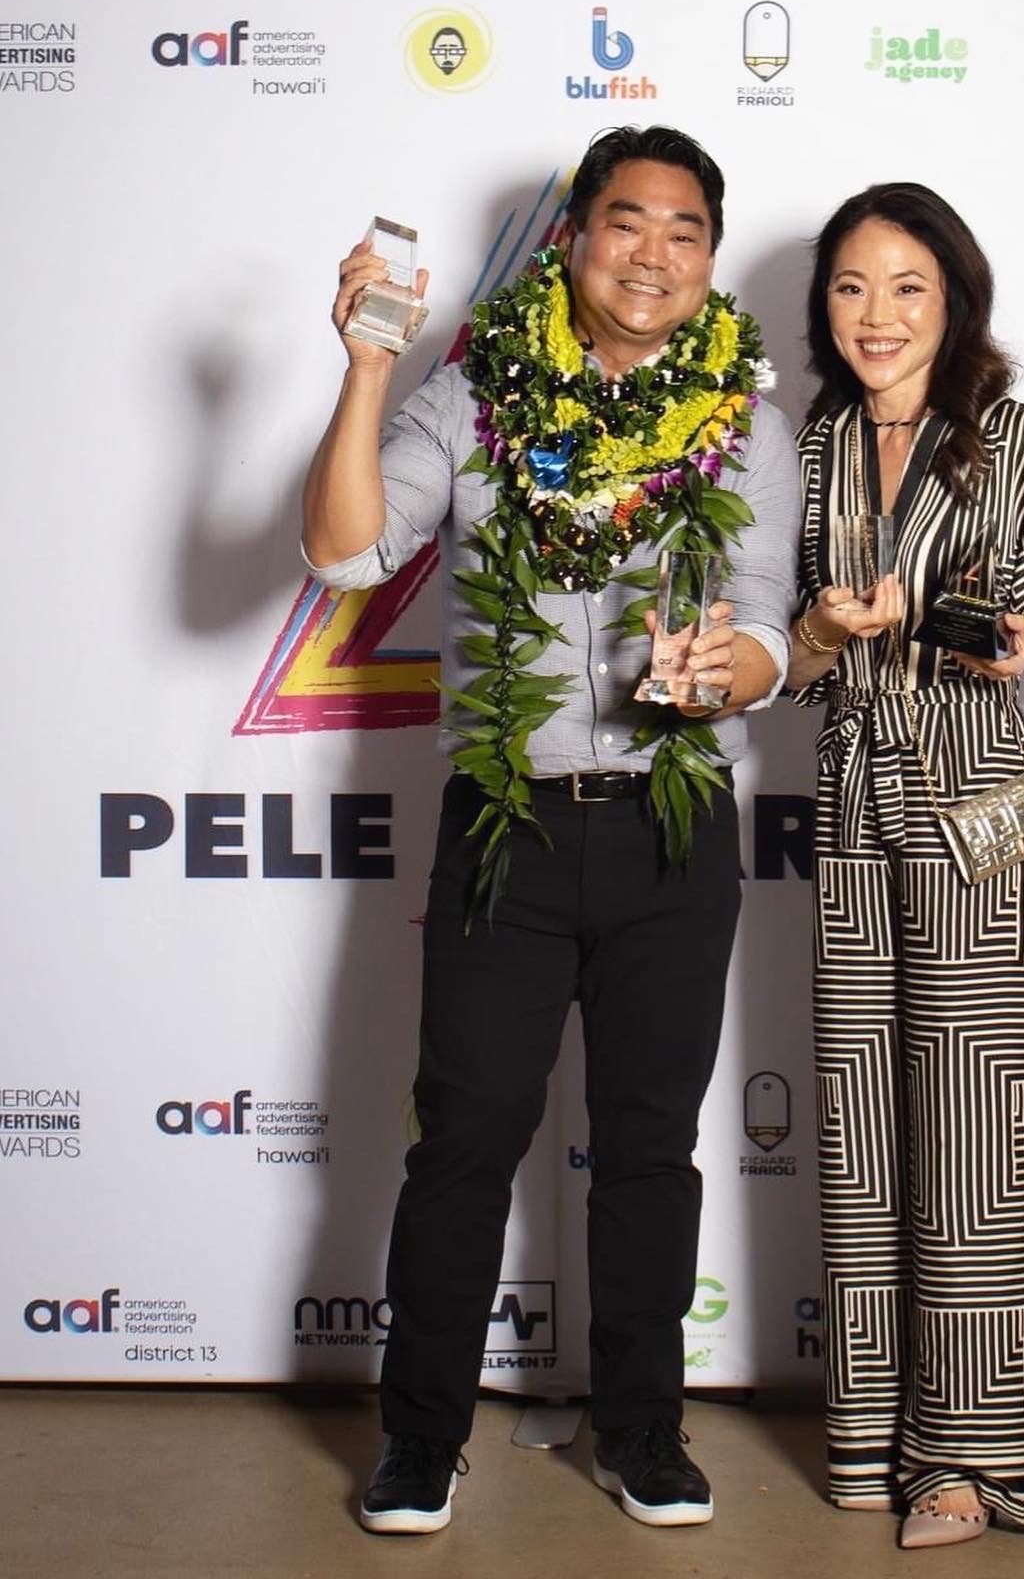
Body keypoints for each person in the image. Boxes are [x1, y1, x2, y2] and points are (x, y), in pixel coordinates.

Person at [303, 126, 800, 1535]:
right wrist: (365, 368)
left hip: (673, 823)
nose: (653, 255)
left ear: (709, 256)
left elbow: (767, 620)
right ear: (575, 238)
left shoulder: (745, 427)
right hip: (507, 830)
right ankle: (422, 1439)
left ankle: (645, 1431)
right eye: (626, 223)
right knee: (462, 1141)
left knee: (650, 1144)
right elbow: (344, 549)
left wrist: (732, 674)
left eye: (685, 230)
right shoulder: (467, 404)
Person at [785, 183, 1024, 1550]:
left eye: (907, 288)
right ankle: (876, 1435)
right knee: (865, 1116)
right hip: (855, 804)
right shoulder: (809, 448)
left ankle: (971, 1464)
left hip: (984, 807)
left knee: (974, 1125)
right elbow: (791, 659)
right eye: (852, 288)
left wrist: (1017, 629)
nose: (877, 316)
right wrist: (820, 628)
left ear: (956, 300)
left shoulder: (1008, 442)